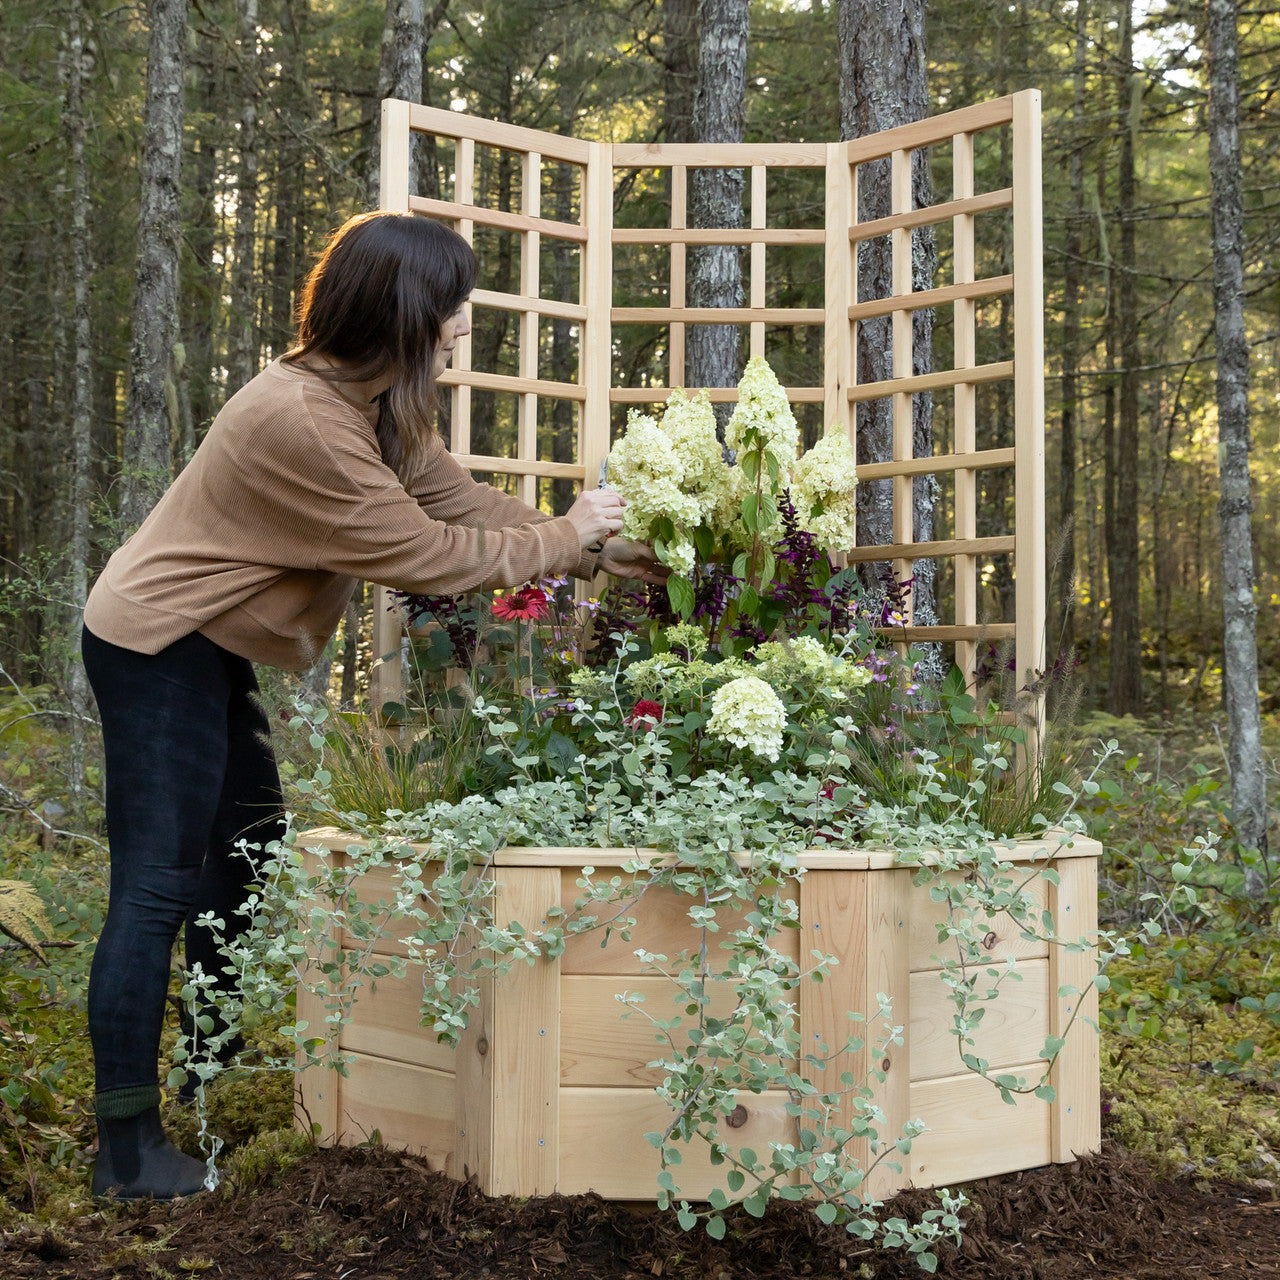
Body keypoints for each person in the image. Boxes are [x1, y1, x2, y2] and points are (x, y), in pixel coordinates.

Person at [80, 211, 666, 1200]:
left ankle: (204, 1074)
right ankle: (127, 1150)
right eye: (454, 307)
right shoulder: (305, 423)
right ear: (405, 314)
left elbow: (462, 505)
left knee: (244, 857)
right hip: (156, 641)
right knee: (157, 882)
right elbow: (426, 554)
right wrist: (566, 536)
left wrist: (598, 549)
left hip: (208, 642)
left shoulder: (374, 403)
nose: (465, 325)